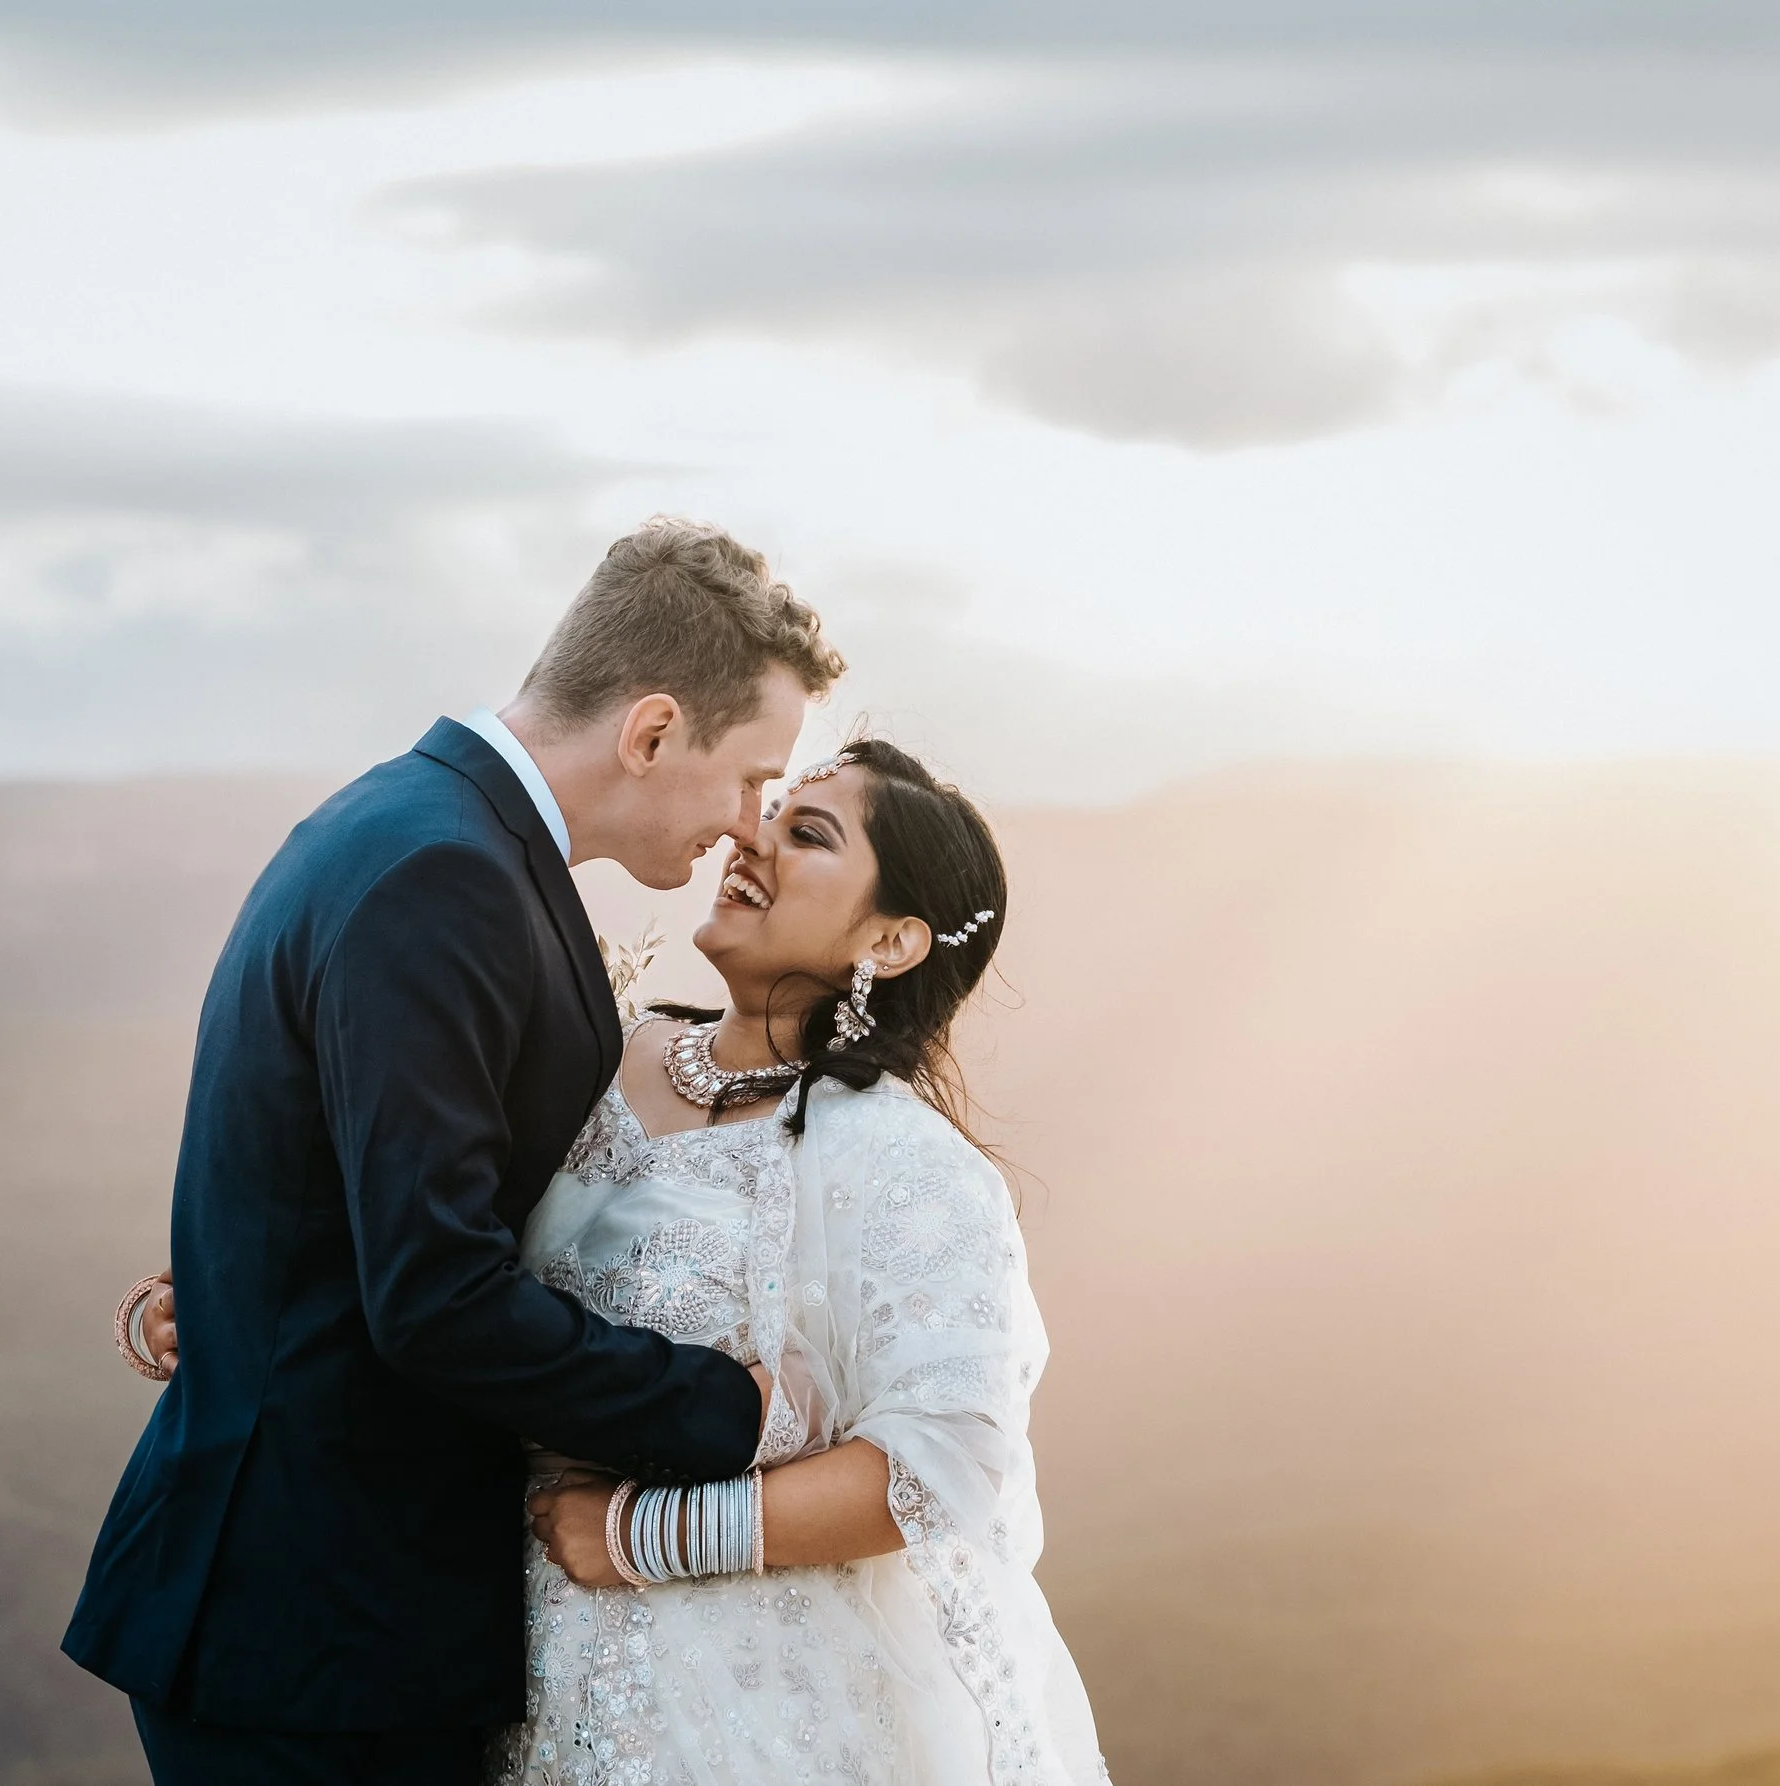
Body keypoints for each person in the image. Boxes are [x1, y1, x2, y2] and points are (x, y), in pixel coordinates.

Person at [133, 739, 1110, 1784]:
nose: (750, 840)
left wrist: (651, 1533)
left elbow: (941, 1471)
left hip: (729, 1711)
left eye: (807, 834)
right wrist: (240, 1287)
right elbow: (432, 1249)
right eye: (766, 812)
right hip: (458, 1662)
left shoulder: (911, 1166)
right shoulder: (589, 1053)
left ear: (893, 937)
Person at [64, 518, 847, 1786]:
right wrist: (728, 1415)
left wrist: (237, 1292)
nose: (749, 821)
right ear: (651, 732)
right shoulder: (446, 874)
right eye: (751, 772)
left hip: (324, 1613)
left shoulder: (414, 822)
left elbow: (334, 1181)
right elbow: (433, 1295)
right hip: (319, 1631)